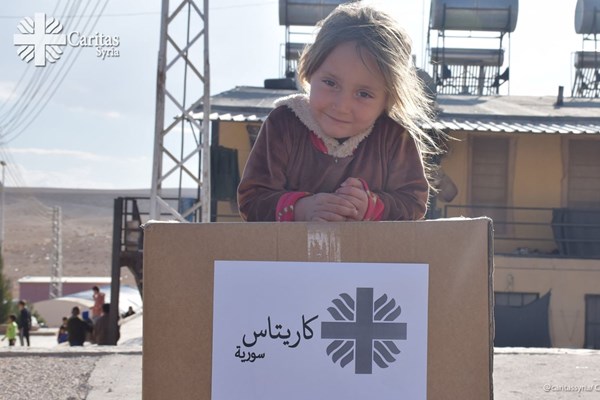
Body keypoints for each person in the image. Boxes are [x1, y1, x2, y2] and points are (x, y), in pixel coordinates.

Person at [237, 3, 443, 222]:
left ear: (388, 100)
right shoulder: (284, 123)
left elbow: (413, 204)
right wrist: (302, 209)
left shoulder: (394, 138)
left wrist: (370, 206)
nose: (342, 105)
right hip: (291, 255)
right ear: (309, 70)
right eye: (330, 83)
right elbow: (252, 200)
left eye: (364, 94)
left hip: (365, 255)